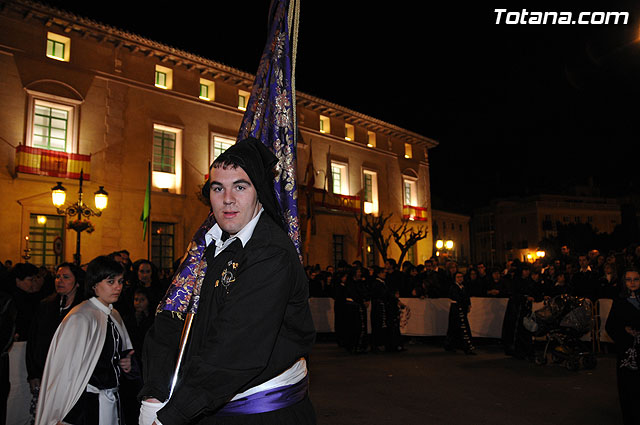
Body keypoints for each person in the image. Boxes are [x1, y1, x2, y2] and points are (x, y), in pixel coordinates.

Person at [139, 137, 316, 424]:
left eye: (240, 187)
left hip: (262, 415)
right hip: (207, 405)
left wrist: (173, 414)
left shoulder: (270, 253)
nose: (228, 199)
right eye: (217, 188)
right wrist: (154, 392)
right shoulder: (207, 247)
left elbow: (236, 347)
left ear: (259, 192)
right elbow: (172, 316)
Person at [35, 255, 136, 425]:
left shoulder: (114, 314)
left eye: (120, 281)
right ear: (95, 284)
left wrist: (125, 361)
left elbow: (117, 354)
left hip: (111, 399)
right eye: (111, 282)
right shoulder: (80, 317)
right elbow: (65, 371)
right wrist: (61, 413)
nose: (118, 287)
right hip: (85, 404)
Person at [26, 262, 85, 422]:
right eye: (58, 277)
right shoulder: (46, 305)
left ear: (77, 282)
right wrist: (33, 373)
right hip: (46, 373)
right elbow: (33, 341)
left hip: (72, 377)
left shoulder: (84, 309)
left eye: (66, 277)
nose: (60, 281)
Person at [605, 268, 640, 425]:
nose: (632, 283)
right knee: (629, 388)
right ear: (624, 283)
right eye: (629, 280)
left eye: (636, 279)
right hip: (628, 351)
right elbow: (610, 326)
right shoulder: (619, 301)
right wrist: (624, 331)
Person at [445, 271, 475, 354]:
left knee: (457, 327)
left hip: (462, 308)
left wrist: (468, 305)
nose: (460, 278)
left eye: (461, 277)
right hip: (456, 309)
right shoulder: (453, 287)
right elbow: (457, 297)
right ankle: (464, 346)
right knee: (459, 327)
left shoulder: (463, 287)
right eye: (458, 277)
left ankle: (451, 345)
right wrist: (465, 303)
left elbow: (467, 296)